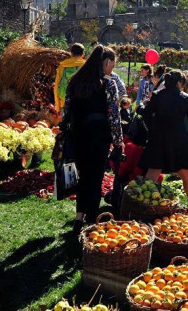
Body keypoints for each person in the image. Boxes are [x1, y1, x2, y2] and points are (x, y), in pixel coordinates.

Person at [66, 45, 123, 234]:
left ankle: (78, 217)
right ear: (106, 63)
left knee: (83, 177)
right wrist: (118, 141)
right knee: (96, 177)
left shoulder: (75, 81)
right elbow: (113, 115)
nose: (111, 70)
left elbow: (66, 111)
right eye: (112, 66)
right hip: (99, 136)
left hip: (79, 135)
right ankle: (92, 219)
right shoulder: (107, 84)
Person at [139, 70, 188, 204]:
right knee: (186, 176)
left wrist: (142, 106)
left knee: (152, 175)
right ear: (179, 83)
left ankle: (142, 208)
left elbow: (146, 113)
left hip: (158, 138)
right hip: (178, 139)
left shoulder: (157, 95)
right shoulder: (185, 98)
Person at [54, 43, 86, 113]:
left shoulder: (63, 65)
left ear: (71, 54)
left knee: (65, 122)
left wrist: (58, 106)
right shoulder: (86, 65)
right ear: (83, 54)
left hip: (64, 101)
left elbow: (56, 85)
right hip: (82, 102)